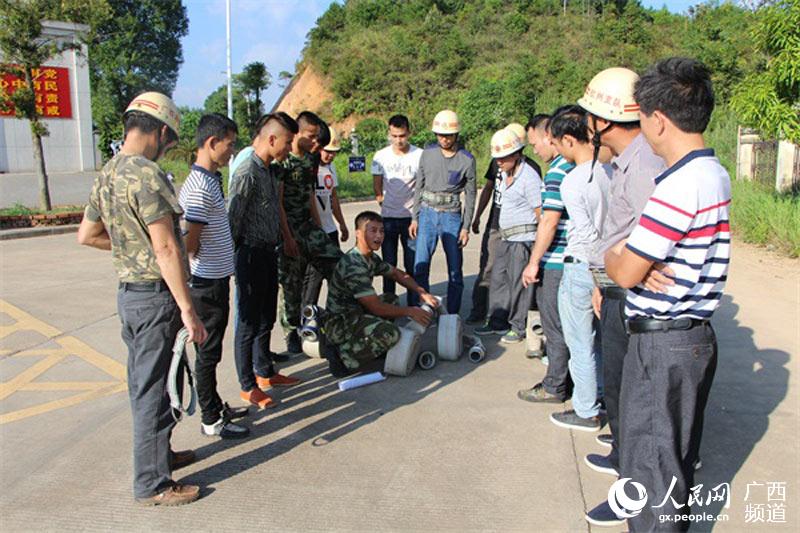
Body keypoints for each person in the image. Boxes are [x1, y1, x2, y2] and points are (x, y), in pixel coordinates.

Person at [605, 57, 729, 532]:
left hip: (662, 341)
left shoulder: (678, 186)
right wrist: (635, 260)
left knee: (652, 469)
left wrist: (621, 254)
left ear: (657, 119)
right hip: (690, 337)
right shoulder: (713, 173)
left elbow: (625, 268)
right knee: (671, 464)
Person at [78, 92, 207, 506]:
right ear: (163, 131)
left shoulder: (108, 173)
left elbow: (88, 235)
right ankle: (152, 484)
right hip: (155, 299)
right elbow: (168, 248)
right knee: (153, 388)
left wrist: (130, 251)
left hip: (130, 296)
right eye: (170, 141)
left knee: (154, 382)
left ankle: (160, 457)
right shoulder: (148, 176)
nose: (168, 148)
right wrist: (188, 309)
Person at [574, 68, 668, 527]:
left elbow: (653, 243)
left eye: (590, 117)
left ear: (603, 122)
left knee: (636, 402)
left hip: (631, 294)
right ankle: (625, 463)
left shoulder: (645, 167)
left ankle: (632, 494)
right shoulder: (623, 164)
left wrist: (629, 274)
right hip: (614, 288)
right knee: (620, 391)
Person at [178, 113, 250, 439]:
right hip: (205, 285)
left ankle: (215, 403)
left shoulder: (209, 180)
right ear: (211, 143)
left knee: (213, 350)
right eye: (229, 145)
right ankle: (211, 419)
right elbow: (189, 245)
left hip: (216, 280)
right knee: (208, 354)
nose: (231, 152)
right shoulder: (198, 188)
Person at [228, 112, 302, 410]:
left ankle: (265, 372)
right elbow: (233, 220)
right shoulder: (247, 171)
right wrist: (233, 263)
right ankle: (248, 385)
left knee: (265, 317)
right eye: (287, 142)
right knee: (247, 321)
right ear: (272, 139)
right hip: (249, 253)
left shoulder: (269, 169)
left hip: (268, 251)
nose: (288, 148)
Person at [546, 105, 611, 432]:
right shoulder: (609, 173)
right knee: (599, 342)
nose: (556, 151)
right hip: (606, 267)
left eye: (557, 144)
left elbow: (585, 233)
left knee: (579, 342)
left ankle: (586, 410)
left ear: (570, 140)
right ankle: (599, 396)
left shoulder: (573, 181)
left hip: (580, 265)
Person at [324, 211, 438, 376]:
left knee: (391, 299)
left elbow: (397, 274)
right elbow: (376, 307)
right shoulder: (354, 265)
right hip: (341, 324)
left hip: (355, 312)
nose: (379, 235)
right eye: (373, 230)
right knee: (391, 333)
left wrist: (421, 292)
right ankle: (342, 357)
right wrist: (410, 311)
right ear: (358, 233)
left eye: (382, 231)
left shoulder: (369, 257)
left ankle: (369, 345)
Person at [518, 112, 576, 402]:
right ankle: (573, 382)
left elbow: (549, 221)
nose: (535, 150)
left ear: (548, 137)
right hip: (573, 259)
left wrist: (533, 262)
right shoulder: (576, 167)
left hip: (556, 261)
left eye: (534, 143)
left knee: (554, 326)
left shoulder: (556, 172)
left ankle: (555, 386)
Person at [277, 111, 344, 354]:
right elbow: (279, 202)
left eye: (318, 139)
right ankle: (291, 331)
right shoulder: (282, 161)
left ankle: (336, 320)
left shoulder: (311, 160)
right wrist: (287, 237)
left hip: (308, 226)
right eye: (311, 137)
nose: (316, 143)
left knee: (339, 266)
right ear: (297, 133)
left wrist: (319, 229)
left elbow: (310, 196)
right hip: (289, 229)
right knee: (291, 284)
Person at [467, 123, 541, 326]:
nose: (499, 161)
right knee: (492, 271)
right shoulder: (500, 168)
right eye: (497, 158)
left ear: (518, 152)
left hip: (521, 236)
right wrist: (477, 216)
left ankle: (518, 321)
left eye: (503, 157)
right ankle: (486, 313)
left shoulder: (530, 172)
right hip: (498, 227)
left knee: (517, 277)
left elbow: (539, 212)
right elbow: (488, 189)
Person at [409, 109, 476, 314]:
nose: (444, 139)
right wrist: (415, 217)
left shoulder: (467, 160)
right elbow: (419, 186)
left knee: (455, 270)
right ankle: (421, 310)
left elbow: (471, 195)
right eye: (440, 135)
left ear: (456, 135)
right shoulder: (427, 154)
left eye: (448, 135)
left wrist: (466, 227)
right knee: (420, 266)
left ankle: (453, 315)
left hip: (452, 217)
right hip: (427, 214)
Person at [371, 114, 422, 301]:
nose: (398, 140)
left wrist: (417, 212)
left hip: (411, 220)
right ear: (389, 134)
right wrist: (383, 203)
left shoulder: (419, 155)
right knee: (388, 265)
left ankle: (414, 306)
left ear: (409, 132)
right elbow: (377, 185)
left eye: (402, 136)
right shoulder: (380, 157)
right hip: (388, 219)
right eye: (394, 136)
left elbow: (422, 186)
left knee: (412, 265)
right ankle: (389, 303)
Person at [302, 129, 349, 308]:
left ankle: (334, 315)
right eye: (328, 151)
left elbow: (333, 198)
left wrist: (342, 224)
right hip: (315, 232)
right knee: (314, 278)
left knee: (335, 276)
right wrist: (318, 227)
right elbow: (310, 198)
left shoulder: (331, 168)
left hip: (330, 230)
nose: (330, 156)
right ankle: (307, 318)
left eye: (334, 153)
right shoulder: (310, 168)